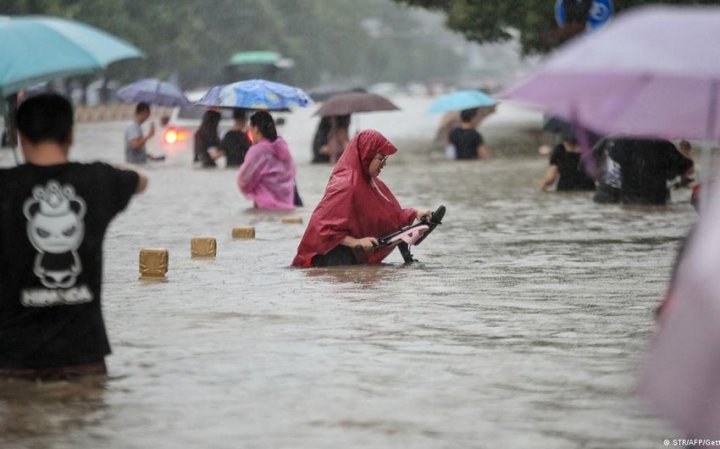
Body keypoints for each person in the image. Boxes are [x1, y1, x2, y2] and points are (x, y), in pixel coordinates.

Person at [0, 92, 147, 380]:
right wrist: (107, 171)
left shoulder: (4, 187)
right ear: (70, 134)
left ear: (19, 136)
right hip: (84, 360)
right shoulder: (98, 181)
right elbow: (141, 180)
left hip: (13, 361)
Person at [292, 130, 431, 267]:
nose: (384, 164)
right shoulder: (345, 184)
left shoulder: (371, 183)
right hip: (329, 258)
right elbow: (322, 228)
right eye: (380, 158)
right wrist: (356, 242)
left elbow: (387, 216)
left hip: (351, 258)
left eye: (385, 159)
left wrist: (415, 213)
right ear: (367, 155)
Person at [237, 111, 300, 209]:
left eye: (250, 129)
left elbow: (244, 180)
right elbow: (291, 173)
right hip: (287, 205)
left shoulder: (257, 151)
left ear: (256, 129)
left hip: (264, 206)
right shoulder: (283, 147)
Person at [608, 137, 694, 205]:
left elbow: (612, 154)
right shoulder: (664, 145)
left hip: (628, 199)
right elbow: (685, 166)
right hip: (655, 199)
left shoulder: (623, 143)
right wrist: (686, 152)